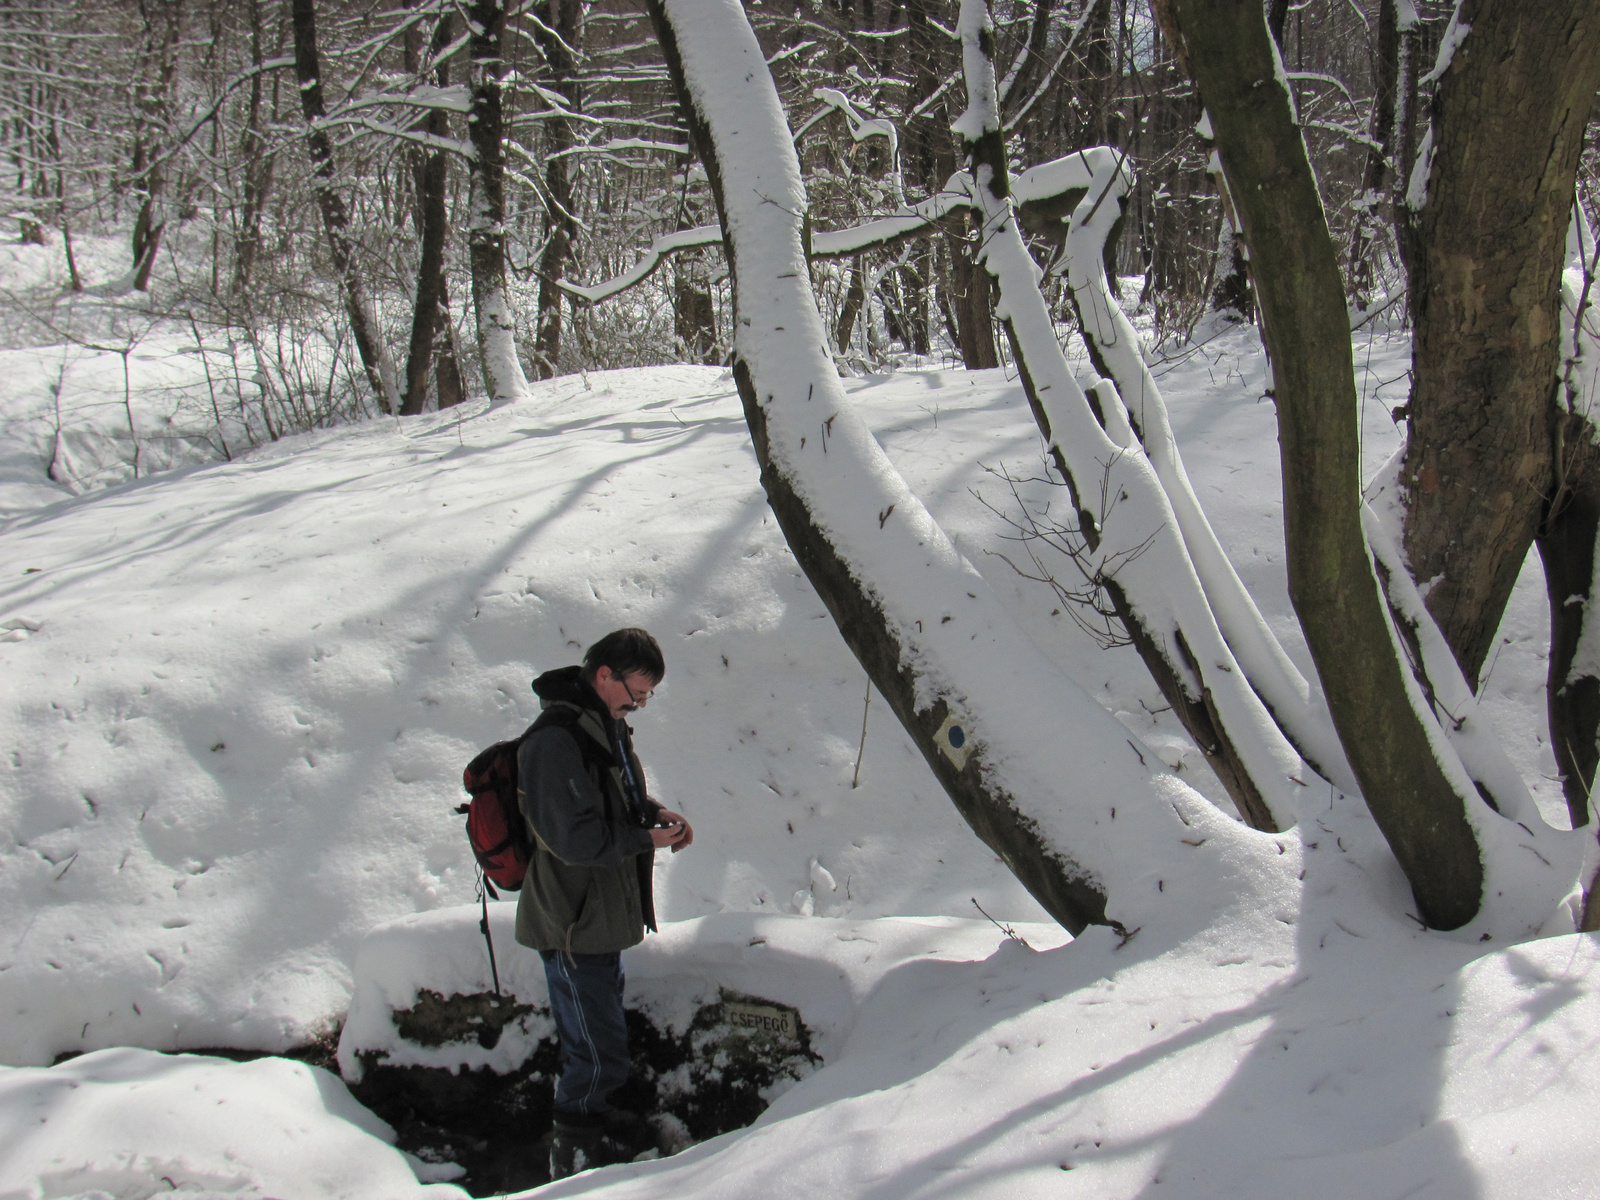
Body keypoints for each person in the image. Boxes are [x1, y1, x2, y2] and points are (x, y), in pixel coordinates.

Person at [515, 628, 693, 1180]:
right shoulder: (554, 741)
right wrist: (645, 840)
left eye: (646, 698)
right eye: (634, 693)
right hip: (571, 921)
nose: (637, 706)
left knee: (599, 1039)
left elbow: (617, 801)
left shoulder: (604, 726)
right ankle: (574, 1164)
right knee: (595, 1050)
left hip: (598, 917)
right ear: (603, 675)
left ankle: (592, 1135)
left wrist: (653, 814)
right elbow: (572, 839)